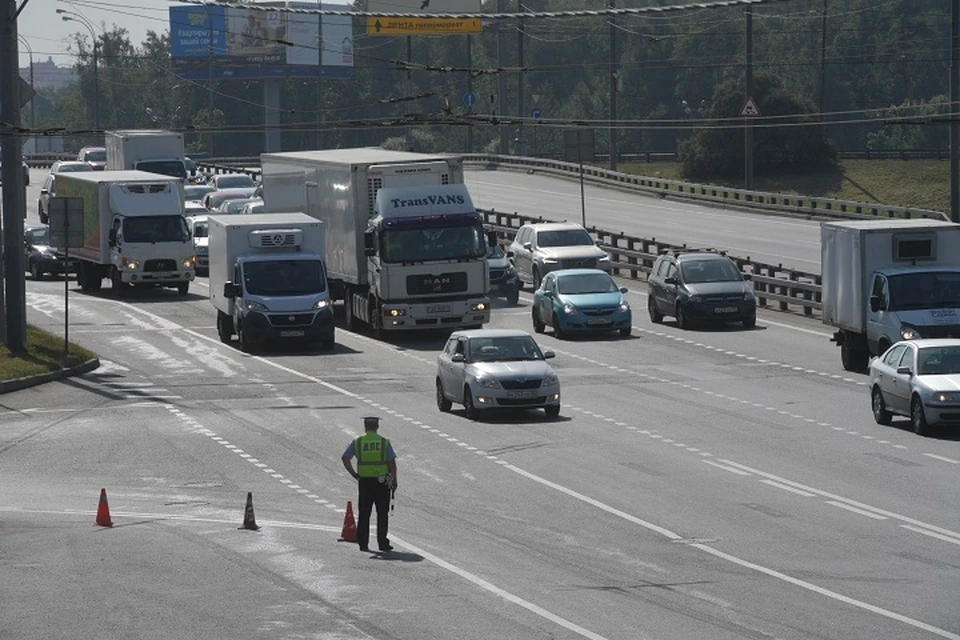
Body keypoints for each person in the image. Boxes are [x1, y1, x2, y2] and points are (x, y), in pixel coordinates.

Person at [341, 415, 398, 552]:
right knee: (382, 513)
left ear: (365, 427)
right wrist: (395, 479)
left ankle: (363, 544)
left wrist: (354, 474)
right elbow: (391, 462)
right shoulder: (384, 442)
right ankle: (383, 543)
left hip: (365, 482)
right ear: (377, 426)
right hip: (382, 483)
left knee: (364, 513)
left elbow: (345, 458)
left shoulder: (358, 442)